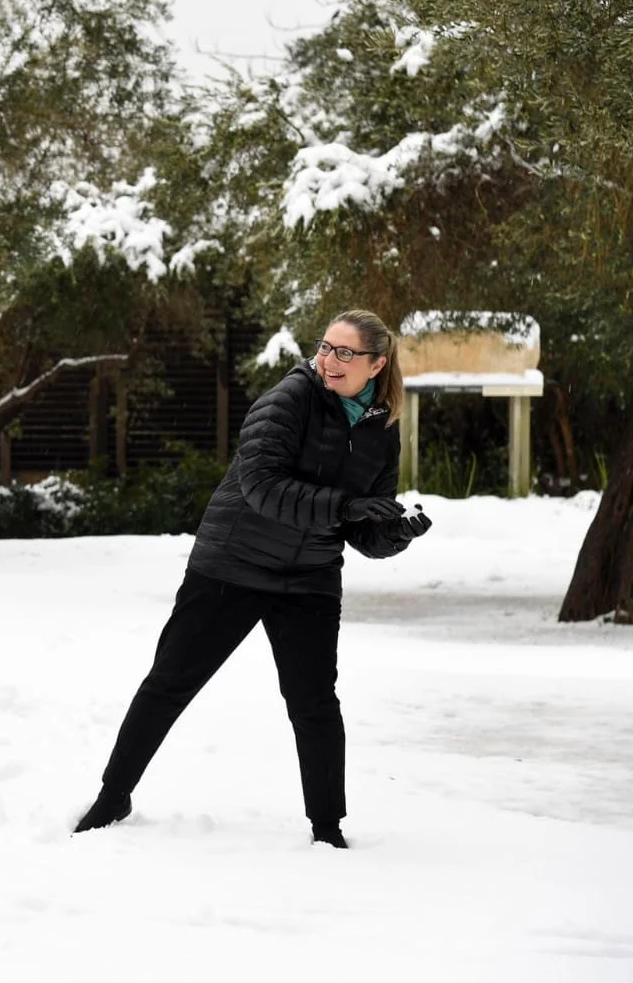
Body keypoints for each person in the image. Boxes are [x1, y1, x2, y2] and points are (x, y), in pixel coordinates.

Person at [73, 309, 432, 849]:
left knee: (314, 703)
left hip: (309, 576)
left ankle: (327, 827)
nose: (329, 360)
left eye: (345, 353)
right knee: (171, 681)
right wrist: (347, 506)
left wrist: (394, 532)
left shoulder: (382, 431)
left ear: (377, 364)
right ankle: (113, 795)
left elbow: (360, 529)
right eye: (326, 347)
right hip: (232, 565)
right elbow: (262, 486)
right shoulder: (290, 398)